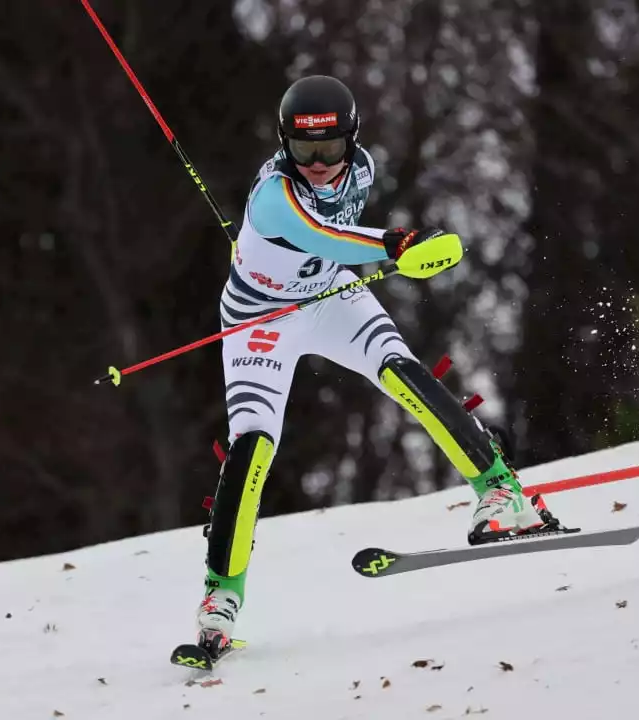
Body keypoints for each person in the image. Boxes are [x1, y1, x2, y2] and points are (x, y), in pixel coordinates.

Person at [194, 74, 563, 657]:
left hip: (328, 297)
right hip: (257, 319)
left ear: (352, 139)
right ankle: (222, 594)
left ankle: (499, 490)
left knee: (401, 370)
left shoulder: (361, 167)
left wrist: (390, 247)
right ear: (284, 144)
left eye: (329, 148)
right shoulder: (273, 195)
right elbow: (325, 236)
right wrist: (395, 245)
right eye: (303, 149)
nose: (317, 163)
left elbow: (334, 247)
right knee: (254, 444)